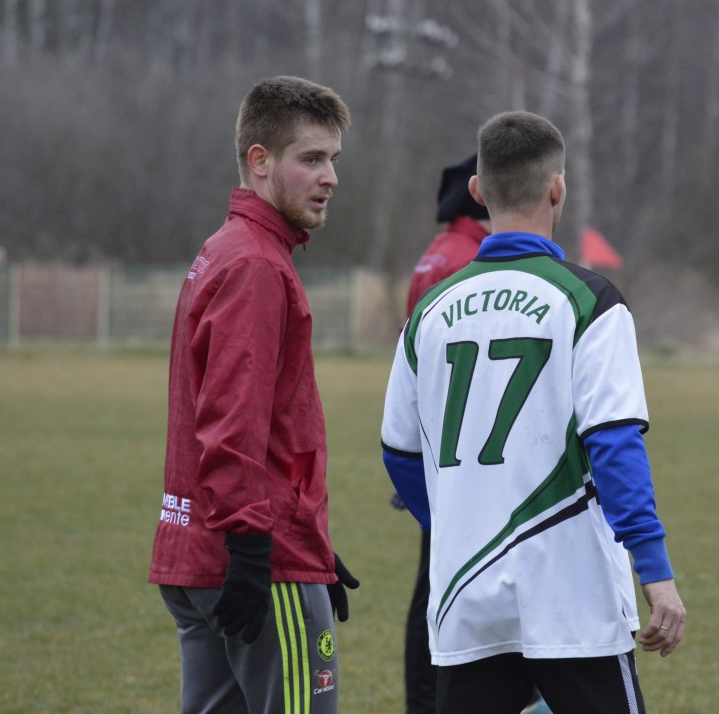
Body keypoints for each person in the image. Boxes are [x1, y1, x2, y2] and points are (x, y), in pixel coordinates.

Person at [381, 111, 686, 714]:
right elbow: (615, 443)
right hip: (571, 599)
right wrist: (655, 571)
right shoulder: (591, 300)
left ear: (477, 191)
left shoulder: (428, 312)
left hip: (467, 596)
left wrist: (460, 528)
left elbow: (400, 453)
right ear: (557, 188)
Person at [149, 75, 360, 714]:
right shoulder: (257, 266)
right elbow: (231, 420)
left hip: (200, 553)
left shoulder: (225, 249)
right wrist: (256, 543)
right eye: (311, 159)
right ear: (260, 161)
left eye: (333, 160)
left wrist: (312, 544)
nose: (330, 178)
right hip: (255, 564)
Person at [397, 152, 491, 714]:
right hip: (463, 455)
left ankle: (424, 699)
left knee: (431, 585)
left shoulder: (437, 251)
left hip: (433, 443)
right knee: (445, 589)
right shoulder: (469, 260)